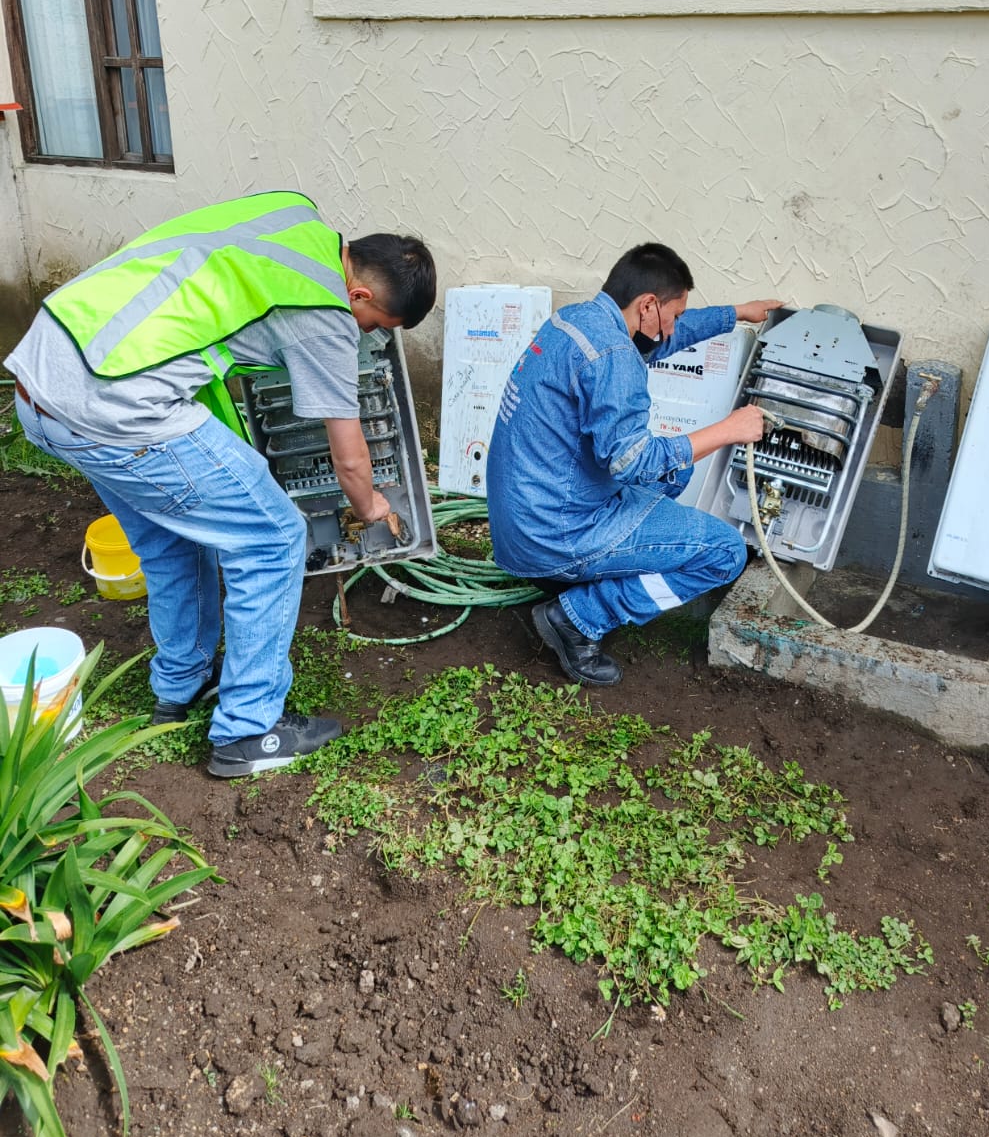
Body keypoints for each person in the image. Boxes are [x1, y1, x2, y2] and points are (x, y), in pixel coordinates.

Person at [4, 191, 435, 776]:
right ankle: (248, 731)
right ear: (358, 294)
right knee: (273, 537)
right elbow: (351, 462)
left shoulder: (294, 217)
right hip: (117, 408)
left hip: (43, 381)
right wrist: (373, 506)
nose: (366, 337)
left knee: (171, 541)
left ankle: (182, 684)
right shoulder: (326, 310)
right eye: (374, 326)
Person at [486, 242, 778, 686]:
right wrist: (728, 430)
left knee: (677, 470)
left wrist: (738, 312)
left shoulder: (578, 321)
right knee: (725, 553)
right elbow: (635, 464)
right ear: (647, 306)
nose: (673, 327)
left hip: (523, 521)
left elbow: (665, 337)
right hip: (555, 534)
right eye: (673, 314)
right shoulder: (613, 358)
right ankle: (578, 617)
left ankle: (577, 580)